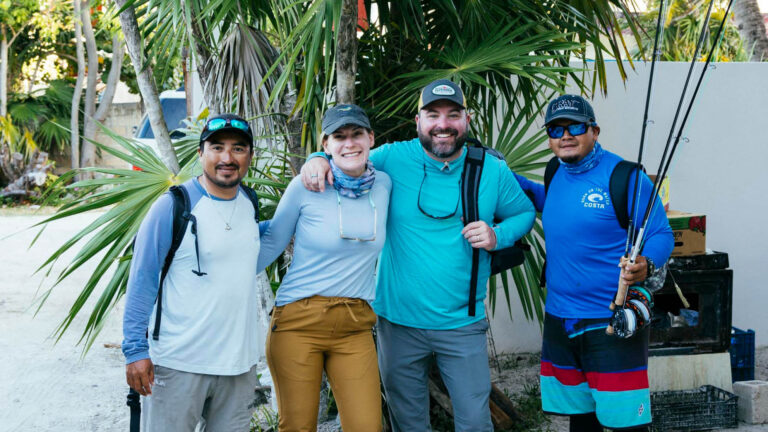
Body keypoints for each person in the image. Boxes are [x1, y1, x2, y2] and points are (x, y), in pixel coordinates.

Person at [301, 80, 536, 431]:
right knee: (408, 422)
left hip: (463, 323)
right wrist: (318, 159)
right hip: (397, 323)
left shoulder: (490, 168)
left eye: (452, 114)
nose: (443, 124)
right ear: (418, 121)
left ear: (466, 120)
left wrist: (496, 235)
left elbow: (524, 213)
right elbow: (349, 154)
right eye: (433, 114)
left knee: (475, 422)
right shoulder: (392, 159)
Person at [513, 94, 674, 432]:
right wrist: (513, 179)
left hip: (610, 320)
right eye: (556, 129)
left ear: (594, 130)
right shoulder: (556, 169)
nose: (565, 135)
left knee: (625, 421)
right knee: (580, 418)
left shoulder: (624, 177)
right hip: (560, 318)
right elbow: (554, 202)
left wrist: (646, 263)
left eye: (575, 126)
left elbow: (661, 233)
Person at [122, 114, 263, 431]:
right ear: (201, 153)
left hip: (239, 367)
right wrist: (134, 351)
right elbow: (142, 280)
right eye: (217, 147)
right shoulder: (173, 206)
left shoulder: (250, 203)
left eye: (238, 148)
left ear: (250, 156)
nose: (227, 158)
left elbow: (252, 245)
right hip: (178, 363)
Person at [256, 104, 391, 432]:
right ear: (326, 144)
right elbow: (271, 243)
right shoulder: (306, 186)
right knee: (298, 427)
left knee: (367, 426)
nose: (349, 143)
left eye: (357, 134)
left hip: (355, 324)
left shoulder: (384, 183)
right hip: (298, 321)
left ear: (371, 138)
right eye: (339, 137)